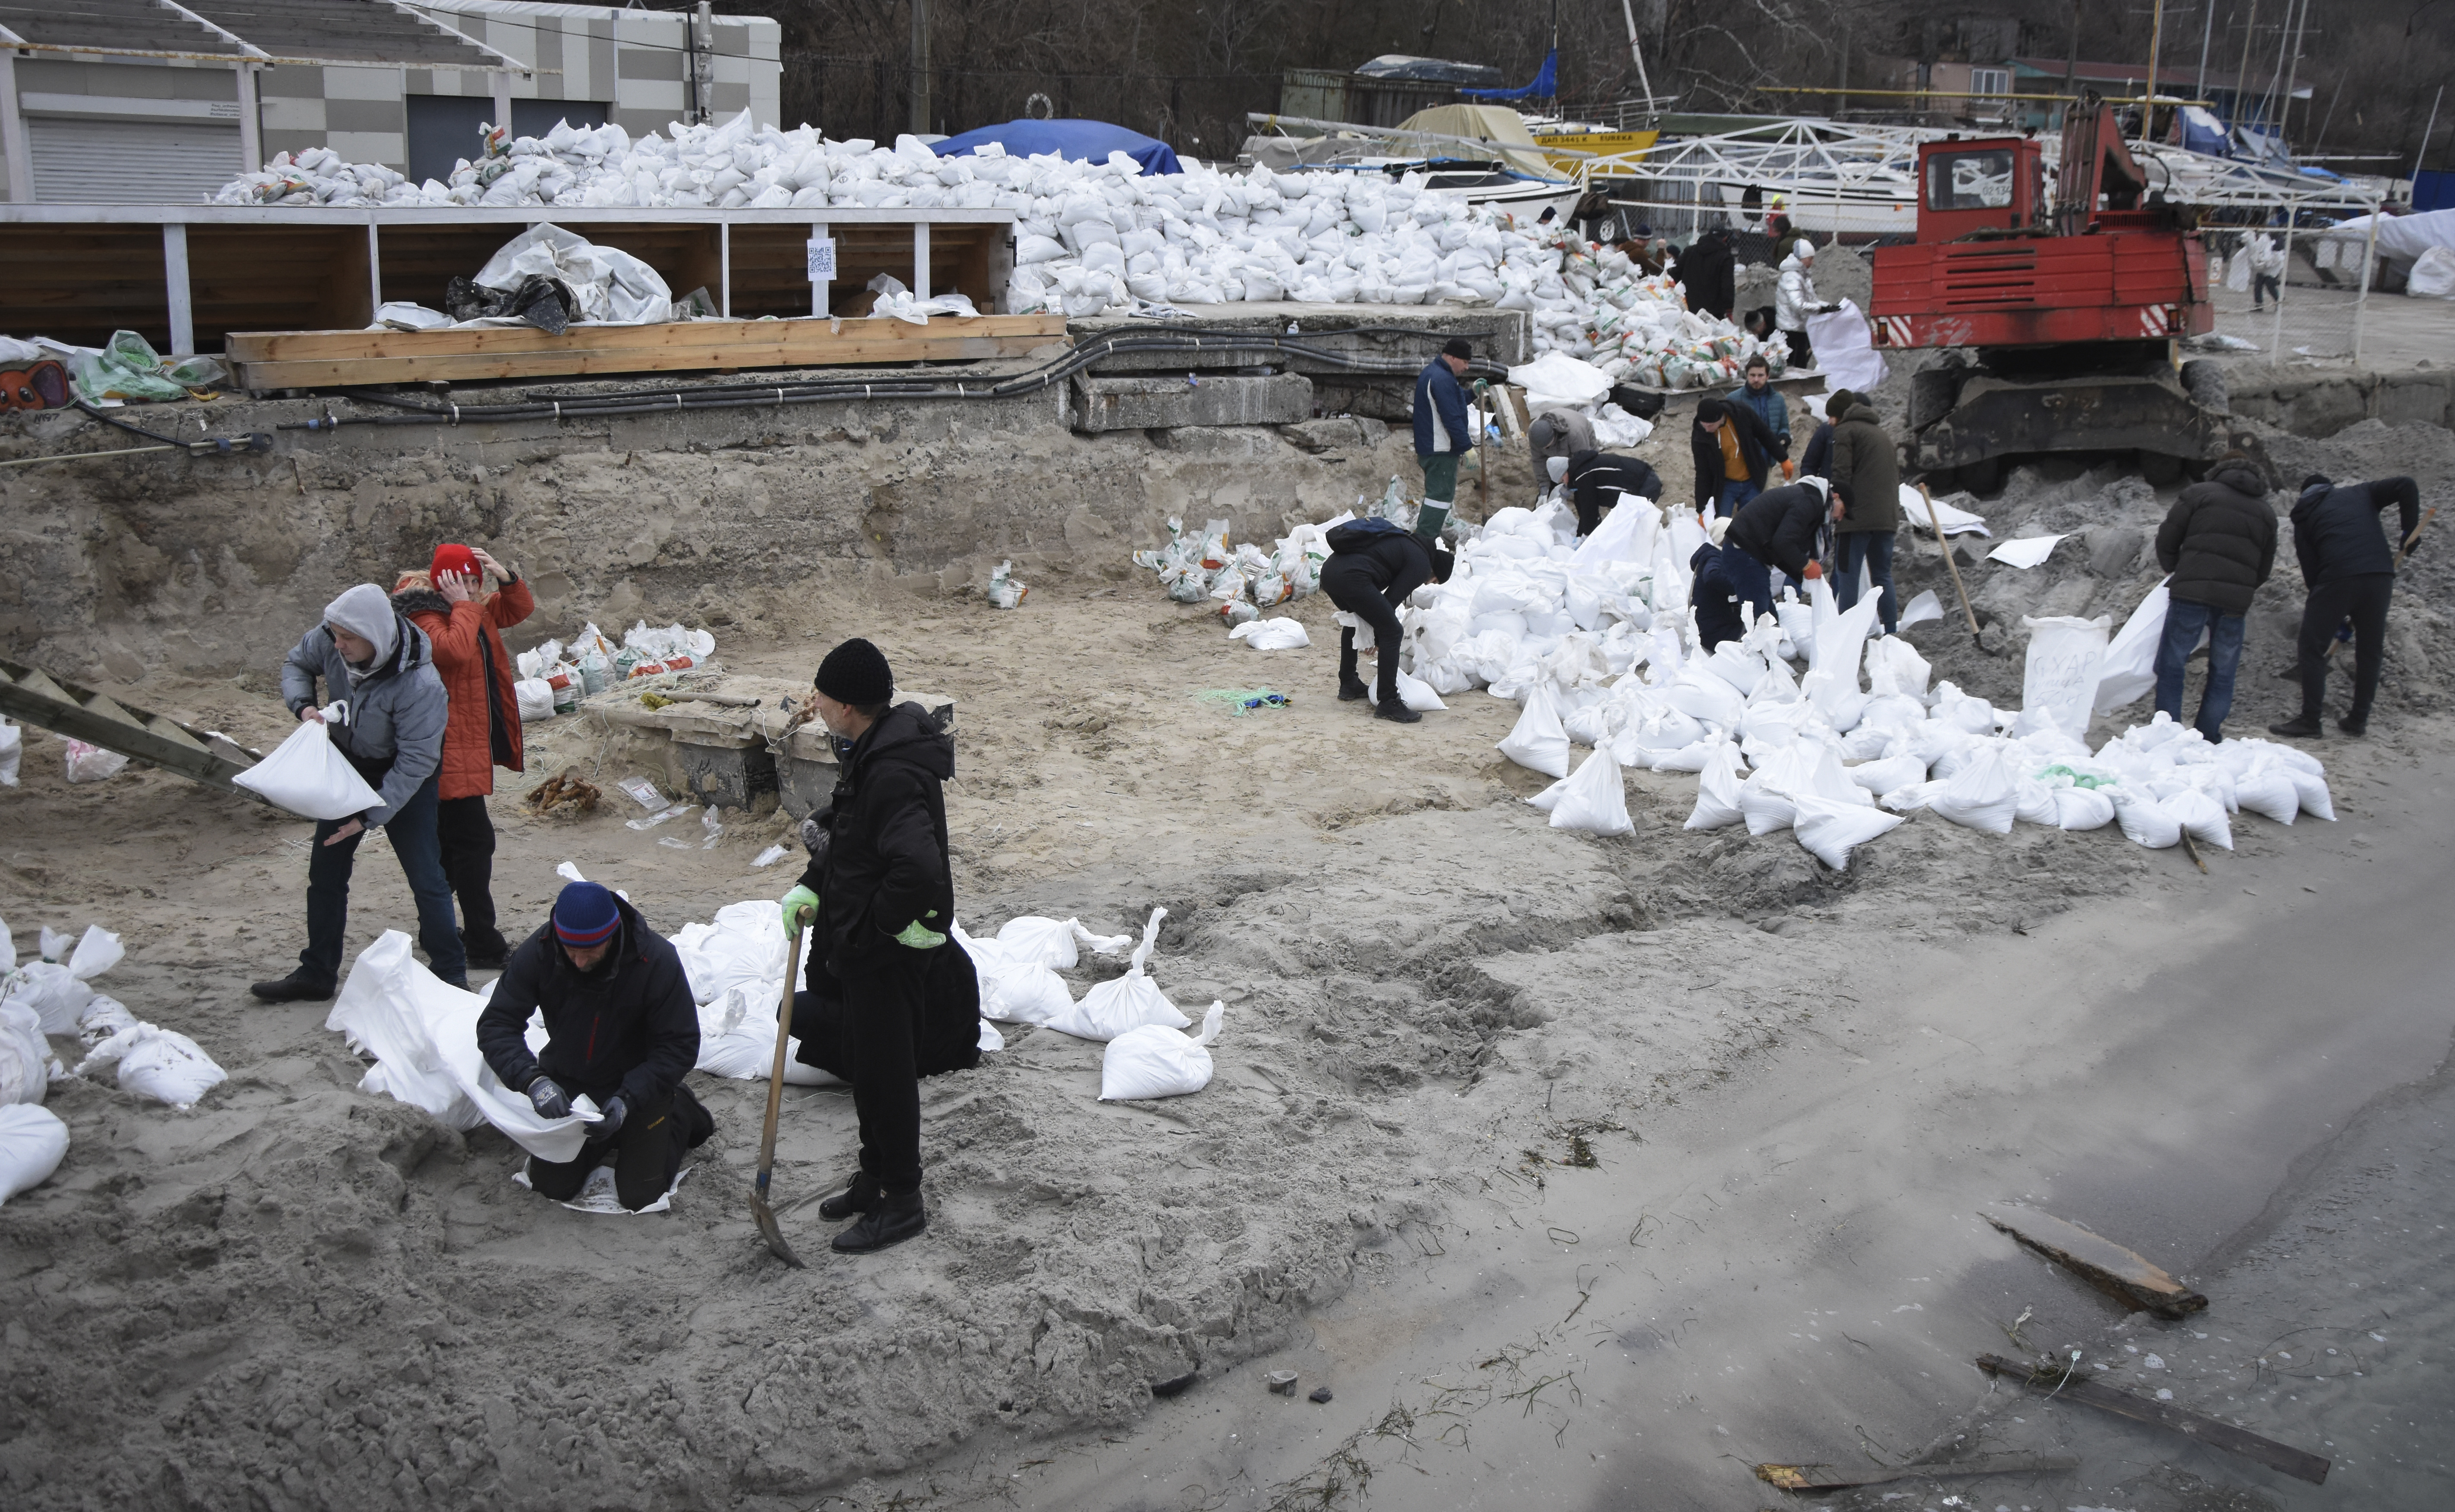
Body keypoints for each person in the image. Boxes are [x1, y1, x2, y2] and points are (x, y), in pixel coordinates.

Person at [775, 639, 957, 1254]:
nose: (814, 701)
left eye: (821, 693)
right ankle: (876, 1176)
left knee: (887, 1075)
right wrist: (812, 887)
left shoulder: (893, 769)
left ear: (847, 705)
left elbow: (919, 867)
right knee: (867, 1067)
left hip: (885, 953)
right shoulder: (871, 749)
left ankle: (903, 1199)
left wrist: (874, 927)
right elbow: (854, 843)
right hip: (862, 948)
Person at [251, 586, 460, 1002]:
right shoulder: (331, 638)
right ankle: (316, 974)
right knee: (325, 875)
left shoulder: (421, 684)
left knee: (426, 878)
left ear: (375, 636)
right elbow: (297, 662)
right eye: (335, 634)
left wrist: (366, 818)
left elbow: (417, 761)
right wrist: (304, 706)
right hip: (346, 766)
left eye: (348, 638)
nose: (338, 644)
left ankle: (451, 978)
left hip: (405, 777)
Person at [476, 881, 709, 1211]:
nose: (580, 961)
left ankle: (681, 1110)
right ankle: (608, 1135)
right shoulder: (542, 949)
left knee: (639, 1196)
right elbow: (496, 1025)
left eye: (590, 952)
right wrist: (534, 1081)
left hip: (639, 1084)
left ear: (612, 936)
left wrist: (629, 1098)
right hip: (570, 1080)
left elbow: (680, 1044)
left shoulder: (655, 959)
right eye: (571, 951)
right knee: (552, 1188)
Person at [390, 543, 534, 969]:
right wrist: (463, 606)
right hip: (443, 750)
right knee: (472, 844)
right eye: (464, 582)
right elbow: (451, 651)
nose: (473, 589)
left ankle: (436, 928)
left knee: (453, 851)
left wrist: (503, 574)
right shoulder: (421, 615)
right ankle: (483, 945)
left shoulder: (471, 607)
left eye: (476, 582)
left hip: (466, 747)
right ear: (444, 583)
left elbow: (517, 610)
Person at [2270, 472, 2424, 739]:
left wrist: (2333, 615)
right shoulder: (2360, 493)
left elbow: (2312, 574)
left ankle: (2310, 721)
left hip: (2338, 577)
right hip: (2380, 576)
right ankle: (2358, 720)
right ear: (2329, 487)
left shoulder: (2305, 516)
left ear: (2304, 495)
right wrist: (2409, 530)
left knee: (2312, 646)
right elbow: (2406, 485)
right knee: (2370, 650)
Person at [2151, 454, 2279, 742]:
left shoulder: (2199, 494)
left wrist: (2176, 569)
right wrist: (2243, 587)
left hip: (2191, 594)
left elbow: (2168, 536)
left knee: (2173, 663)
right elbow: (2264, 568)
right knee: (2223, 672)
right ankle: (2207, 736)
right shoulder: (2266, 513)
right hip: (2235, 603)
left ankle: (2167, 734)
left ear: (2220, 473)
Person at [1319, 517, 1455, 723]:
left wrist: (1375, 630)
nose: (1430, 584)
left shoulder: (1408, 544)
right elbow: (1390, 601)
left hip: (1331, 573)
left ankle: (1349, 683)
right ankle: (1388, 702)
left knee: (1356, 620)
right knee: (1393, 631)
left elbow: (1380, 606)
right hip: (1352, 577)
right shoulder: (1421, 563)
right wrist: (1380, 638)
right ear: (1435, 571)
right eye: (1435, 580)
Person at [1826, 393, 1902, 632]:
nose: (1829, 422)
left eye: (1831, 416)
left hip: (1855, 519)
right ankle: (1891, 631)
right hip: (1886, 519)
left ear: (1840, 414)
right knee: (1882, 575)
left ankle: (1845, 635)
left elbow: (1841, 472)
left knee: (1847, 575)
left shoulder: (1846, 431)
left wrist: (1837, 502)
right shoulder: (1882, 435)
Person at [1723, 478, 1840, 627]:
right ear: (1836, 497)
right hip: (1745, 552)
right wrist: (1806, 565)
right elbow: (1783, 542)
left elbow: (1782, 543)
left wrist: (1805, 575)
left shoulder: (1808, 497)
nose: (1840, 518)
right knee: (1762, 624)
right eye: (1842, 511)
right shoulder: (1810, 502)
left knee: (1769, 620)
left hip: (1749, 553)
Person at [1411, 337, 1476, 543]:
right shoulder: (1442, 379)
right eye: (1465, 362)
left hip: (1434, 446)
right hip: (1440, 448)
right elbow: (1451, 416)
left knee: (1439, 495)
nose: (1467, 367)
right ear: (1452, 358)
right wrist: (1467, 447)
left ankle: (1426, 539)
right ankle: (1425, 541)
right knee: (1439, 496)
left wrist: (1472, 394)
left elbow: (1453, 401)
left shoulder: (1437, 375)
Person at [1690, 395, 1782, 518]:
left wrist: (1783, 458)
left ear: (1720, 419)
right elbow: (1703, 474)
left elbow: (1764, 434)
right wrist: (1701, 510)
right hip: (1726, 485)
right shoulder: (1700, 436)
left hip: (1752, 480)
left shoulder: (1741, 413)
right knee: (1722, 522)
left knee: (1751, 520)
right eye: (1704, 424)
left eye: (1710, 425)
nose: (1706, 429)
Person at [1547, 449, 1664, 537]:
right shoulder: (1582, 471)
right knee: (1628, 528)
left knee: (1634, 531)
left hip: (1646, 486)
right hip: (1642, 485)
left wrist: (1589, 538)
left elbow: (1590, 509)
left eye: (1563, 480)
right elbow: (1583, 509)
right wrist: (1580, 535)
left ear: (1565, 472)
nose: (1565, 484)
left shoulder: (1583, 475)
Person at [1774, 240, 1839, 370]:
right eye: (1810, 259)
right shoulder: (1792, 277)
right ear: (1803, 259)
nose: (1812, 263)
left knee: (1800, 367)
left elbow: (1811, 300)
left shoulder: (1801, 276)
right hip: (1790, 330)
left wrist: (1828, 307)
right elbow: (1798, 305)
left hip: (1799, 328)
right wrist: (1821, 309)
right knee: (1793, 368)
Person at [1727, 354, 1792, 462]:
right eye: (1752, 375)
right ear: (1747, 376)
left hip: (1768, 459)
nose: (1756, 379)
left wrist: (1784, 438)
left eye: (1761, 375)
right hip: (1743, 461)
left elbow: (1784, 426)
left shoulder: (1778, 400)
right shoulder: (1733, 399)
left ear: (1768, 376)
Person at [1690, 539, 1750, 652]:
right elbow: (1712, 576)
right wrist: (1739, 587)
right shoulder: (1715, 558)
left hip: (1707, 627)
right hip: (1715, 633)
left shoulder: (1710, 556)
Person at [1673, 228, 1736, 320]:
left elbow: (1675, 274)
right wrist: (1729, 309)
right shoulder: (1725, 258)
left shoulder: (1690, 251)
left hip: (1687, 307)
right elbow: (1727, 285)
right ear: (1725, 239)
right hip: (1713, 312)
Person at [1526, 409, 1596, 477]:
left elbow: (1583, 460)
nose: (1544, 448)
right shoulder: (1533, 433)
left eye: (1547, 446)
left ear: (1554, 436)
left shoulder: (1575, 434)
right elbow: (1539, 460)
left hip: (1584, 433)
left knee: (1590, 466)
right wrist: (1544, 485)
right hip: (1562, 440)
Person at [1798, 389, 1849, 481]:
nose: (1829, 422)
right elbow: (1809, 464)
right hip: (1826, 489)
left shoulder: (1862, 437)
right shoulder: (1826, 431)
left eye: (1832, 417)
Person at [2247, 232, 2284, 311]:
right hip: (2264, 266)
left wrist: (2267, 260)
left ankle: (2279, 300)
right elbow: (2258, 248)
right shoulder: (2264, 238)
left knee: (2270, 285)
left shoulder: (2279, 240)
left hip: (2274, 266)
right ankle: (2259, 306)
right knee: (2258, 286)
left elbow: (2277, 256)